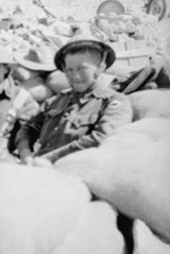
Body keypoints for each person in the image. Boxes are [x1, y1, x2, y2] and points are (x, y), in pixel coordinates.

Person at [15, 36, 133, 166]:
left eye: (82, 69)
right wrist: (25, 153)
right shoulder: (57, 100)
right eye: (69, 70)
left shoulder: (113, 102)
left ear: (100, 68)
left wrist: (48, 159)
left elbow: (103, 138)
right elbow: (29, 127)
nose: (75, 76)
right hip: (41, 167)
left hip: (79, 172)